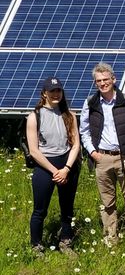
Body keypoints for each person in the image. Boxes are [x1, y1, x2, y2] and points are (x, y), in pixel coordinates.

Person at [80, 62, 125, 246]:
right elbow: (84, 131)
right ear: (95, 83)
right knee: (107, 202)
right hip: (103, 158)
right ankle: (111, 239)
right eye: (98, 81)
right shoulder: (90, 103)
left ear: (113, 80)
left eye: (106, 79)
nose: (102, 83)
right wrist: (93, 152)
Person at [27, 77, 81, 256]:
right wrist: (54, 171)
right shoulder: (35, 116)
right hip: (45, 166)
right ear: (44, 93)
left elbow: (75, 145)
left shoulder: (70, 115)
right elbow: (34, 151)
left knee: (67, 207)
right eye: (52, 91)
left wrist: (66, 168)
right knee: (40, 209)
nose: (56, 94)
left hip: (67, 164)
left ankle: (66, 241)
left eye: (58, 90)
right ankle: (36, 245)